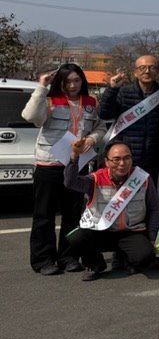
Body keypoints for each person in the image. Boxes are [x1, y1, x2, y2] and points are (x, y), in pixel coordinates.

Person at [22, 63, 107, 275]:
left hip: (76, 165)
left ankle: (69, 257)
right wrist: (41, 87)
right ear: (60, 82)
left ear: (82, 81)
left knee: (72, 213)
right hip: (49, 165)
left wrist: (92, 139)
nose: (72, 85)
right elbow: (30, 117)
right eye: (67, 81)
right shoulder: (49, 100)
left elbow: (100, 127)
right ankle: (43, 259)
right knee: (44, 214)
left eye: (76, 80)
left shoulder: (90, 102)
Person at [62, 140, 159, 281]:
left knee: (146, 256)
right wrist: (74, 157)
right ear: (107, 162)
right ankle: (95, 264)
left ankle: (124, 258)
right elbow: (70, 182)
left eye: (127, 158)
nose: (122, 163)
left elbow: (154, 208)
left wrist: (152, 237)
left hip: (130, 232)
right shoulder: (96, 179)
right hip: (101, 231)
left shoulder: (142, 178)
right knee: (75, 239)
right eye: (116, 159)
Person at [99, 54, 159, 181]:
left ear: (158, 71)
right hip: (125, 158)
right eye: (142, 68)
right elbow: (105, 114)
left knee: (147, 191)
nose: (147, 71)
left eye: (152, 67)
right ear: (135, 72)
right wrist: (112, 89)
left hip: (153, 157)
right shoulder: (123, 92)